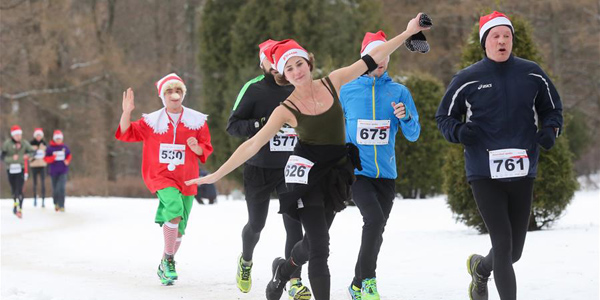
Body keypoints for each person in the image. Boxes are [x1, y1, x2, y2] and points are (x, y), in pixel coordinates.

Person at [185, 13, 429, 300]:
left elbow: (372, 58)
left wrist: (406, 32)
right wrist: (215, 175)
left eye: (299, 63)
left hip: (336, 175)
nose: (297, 71)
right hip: (306, 176)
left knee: (310, 244)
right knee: (321, 247)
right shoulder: (285, 108)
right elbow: (251, 145)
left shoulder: (333, 82)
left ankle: (283, 271)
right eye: (289, 68)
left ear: (308, 63)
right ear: (282, 75)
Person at [435, 11, 563, 300]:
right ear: (485, 42)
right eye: (496, 36)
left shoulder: (532, 73)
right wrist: (459, 132)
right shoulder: (468, 78)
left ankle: (481, 268)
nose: (502, 40)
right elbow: (444, 116)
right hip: (483, 171)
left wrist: (551, 130)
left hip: (522, 169)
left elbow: (552, 109)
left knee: (513, 252)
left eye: (507, 36)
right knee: (503, 244)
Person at [340, 30, 421, 300]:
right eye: (376, 55)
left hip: (386, 175)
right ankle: (369, 283)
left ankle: (355, 283)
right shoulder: (346, 90)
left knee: (376, 229)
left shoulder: (399, 92)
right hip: (358, 174)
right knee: (373, 220)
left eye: (386, 54)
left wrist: (406, 116)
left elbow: (413, 134)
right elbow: (332, 128)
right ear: (365, 58)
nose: (382, 60)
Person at [225, 39, 308, 298]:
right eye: (269, 60)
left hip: (291, 167)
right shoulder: (253, 89)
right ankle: (246, 261)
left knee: (294, 225)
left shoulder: (299, 86)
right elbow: (233, 126)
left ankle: (294, 279)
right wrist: (259, 125)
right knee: (256, 225)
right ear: (261, 63)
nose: (275, 65)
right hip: (259, 167)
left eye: (279, 60)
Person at [115, 73, 213, 286]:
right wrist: (126, 112)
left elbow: (205, 146)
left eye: (178, 90)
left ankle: (164, 264)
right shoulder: (152, 121)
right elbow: (126, 132)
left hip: (187, 178)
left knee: (180, 228)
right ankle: (169, 260)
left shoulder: (196, 121)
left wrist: (197, 148)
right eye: (169, 91)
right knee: (174, 208)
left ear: (183, 94)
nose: (174, 95)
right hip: (160, 175)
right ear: (162, 96)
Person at [1, 125, 34, 218]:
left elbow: (33, 152)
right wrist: (12, 159)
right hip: (10, 169)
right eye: (17, 135)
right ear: (13, 136)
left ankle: (19, 208)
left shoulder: (24, 143)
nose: (19, 136)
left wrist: (27, 155)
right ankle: (15, 204)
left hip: (21, 169)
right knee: (13, 189)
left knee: (19, 189)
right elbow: (2, 157)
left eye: (20, 135)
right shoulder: (7, 144)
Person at [44, 130, 71, 212]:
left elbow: (69, 155)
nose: (58, 140)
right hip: (53, 171)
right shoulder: (50, 148)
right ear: (54, 139)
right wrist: (53, 157)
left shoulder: (65, 147)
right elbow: (46, 159)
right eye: (57, 139)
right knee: (55, 189)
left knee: (61, 188)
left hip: (63, 171)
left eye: (60, 139)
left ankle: (62, 205)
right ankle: (56, 203)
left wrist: (67, 161)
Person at [30, 128, 47, 207]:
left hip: (42, 165)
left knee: (43, 183)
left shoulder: (44, 144)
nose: (38, 137)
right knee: (35, 183)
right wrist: (34, 154)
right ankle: (35, 198)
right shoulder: (31, 144)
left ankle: (43, 199)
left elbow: (47, 154)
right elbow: (29, 155)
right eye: (37, 135)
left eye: (40, 135)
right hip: (34, 165)